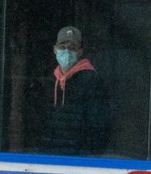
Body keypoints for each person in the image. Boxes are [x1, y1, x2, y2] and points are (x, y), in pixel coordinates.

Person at [39, 26, 111, 155]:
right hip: (52, 156)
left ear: (79, 52)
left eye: (72, 48)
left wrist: (87, 154)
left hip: (79, 158)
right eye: (62, 47)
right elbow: (44, 120)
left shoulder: (91, 80)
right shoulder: (50, 80)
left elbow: (98, 125)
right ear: (55, 50)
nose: (66, 52)